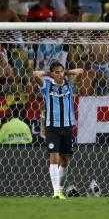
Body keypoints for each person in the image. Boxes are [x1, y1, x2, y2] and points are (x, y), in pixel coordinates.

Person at [33, 61, 84, 199]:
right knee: (54, 158)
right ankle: (55, 191)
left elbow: (80, 72)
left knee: (65, 161)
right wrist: (49, 74)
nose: (60, 74)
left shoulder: (69, 85)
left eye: (61, 71)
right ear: (52, 74)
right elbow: (35, 74)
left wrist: (65, 72)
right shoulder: (47, 86)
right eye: (57, 72)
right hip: (52, 127)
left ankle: (60, 189)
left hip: (67, 126)